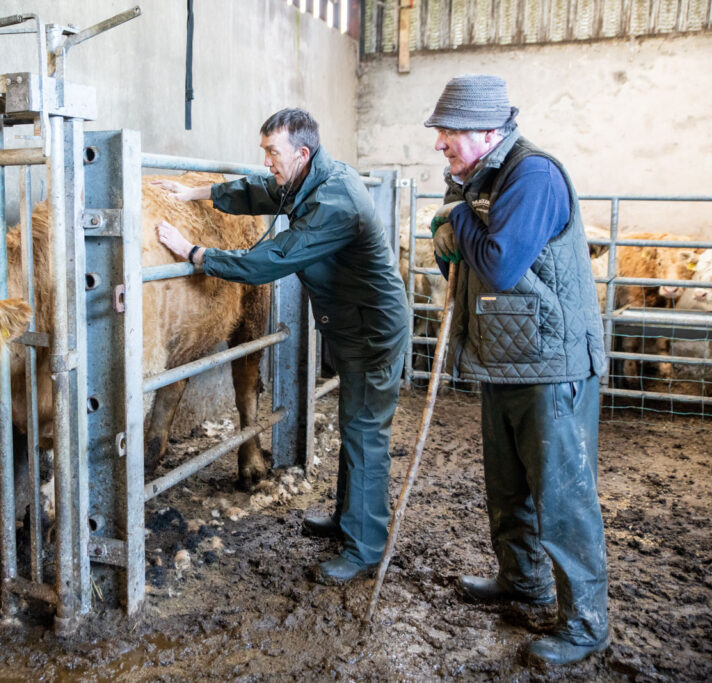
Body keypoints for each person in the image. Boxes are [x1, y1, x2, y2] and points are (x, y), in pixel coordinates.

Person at [154, 108, 409, 585]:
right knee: (355, 427)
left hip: (372, 332)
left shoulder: (336, 200)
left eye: (272, 152)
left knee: (365, 435)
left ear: (302, 152)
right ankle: (348, 520)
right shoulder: (308, 178)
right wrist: (196, 192)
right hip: (352, 325)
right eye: (265, 150)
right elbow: (258, 191)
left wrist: (195, 254)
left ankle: (364, 549)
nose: (267, 160)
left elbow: (269, 261)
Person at [425, 74, 610, 667]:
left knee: (561, 497)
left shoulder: (534, 175)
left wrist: (458, 218)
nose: (440, 144)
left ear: (487, 129)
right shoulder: (481, 179)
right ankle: (522, 581)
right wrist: (446, 232)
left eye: (448, 132)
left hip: (552, 365)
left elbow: (501, 264)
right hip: (504, 358)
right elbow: (462, 251)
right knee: (507, 490)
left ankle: (584, 624)